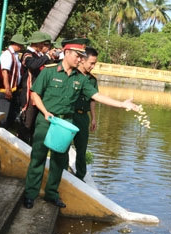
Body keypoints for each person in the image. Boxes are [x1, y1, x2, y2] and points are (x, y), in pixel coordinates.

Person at [23, 38, 140, 209]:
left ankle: (51, 193)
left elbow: (97, 96)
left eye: (81, 56)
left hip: (65, 122)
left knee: (58, 160)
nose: (80, 59)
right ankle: (30, 194)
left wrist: (122, 104)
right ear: (67, 52)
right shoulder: (49, 71)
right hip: (47, 120)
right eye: (78, 55)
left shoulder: (81, 79)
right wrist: (46, 112)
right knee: (38, 157)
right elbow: (35, 94)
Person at [17, 31, 59, 145]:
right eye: (43, 44)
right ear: (37, 43)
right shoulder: (27, 55)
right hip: (29, 93)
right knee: (27, 123)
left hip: (38, 94)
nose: (44, 46)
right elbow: (33, 65)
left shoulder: (39, 56)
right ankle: (22, 147)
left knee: (34, 125)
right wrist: (47, 56)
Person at [73, 46, 99, 181]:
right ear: (83, 60)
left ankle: (80, 177)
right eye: (92, 63)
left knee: (81, 149)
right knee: (63, 147)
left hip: (83, 116)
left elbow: (93, 100)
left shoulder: (92, 80)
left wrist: (93, 118)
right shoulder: (72, 75)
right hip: (70, 115)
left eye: (95, 63)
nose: (93, 66)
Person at [0, 33, 27, 130]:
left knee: (10, 115)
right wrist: (7, 88)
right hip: (6, 90)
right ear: (17, 44)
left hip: (13, 89)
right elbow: (5, 72)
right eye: (21, 45)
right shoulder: (7, 54)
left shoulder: (15, 55)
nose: (22, 47)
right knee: (3, 116)